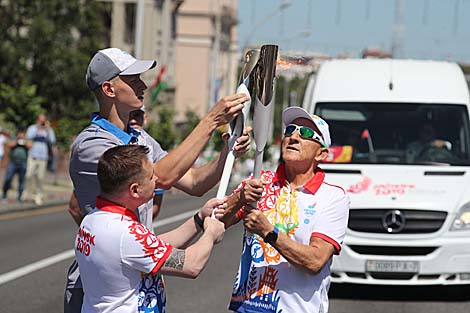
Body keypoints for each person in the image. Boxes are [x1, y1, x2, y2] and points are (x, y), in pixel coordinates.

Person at [65, 47, 250, 312]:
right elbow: (160, 178)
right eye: (133, 80)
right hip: (99, 284)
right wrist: (210, 121)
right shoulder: (91, 144)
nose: (143, 85)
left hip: (140, 272)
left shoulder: (140, 137)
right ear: (109, 89)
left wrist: (227, 153)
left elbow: (195, 181)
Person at [220, 106, 350, 313]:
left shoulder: (333, 197)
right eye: (290, 130)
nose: (294, 137)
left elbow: (315, 261)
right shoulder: (258, 181)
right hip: (248, 308)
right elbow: (215, 225)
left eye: (306, 133)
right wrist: (239, 198)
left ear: (322, 153)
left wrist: (268, 232)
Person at [75, 144, 225, 312]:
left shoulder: (92, 220)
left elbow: (151, 246)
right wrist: (211, 233)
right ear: (135, 189)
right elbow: (192, 265)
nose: (156, 179)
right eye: (151, 176)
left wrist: (199, 219)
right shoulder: (126, 233)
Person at [24, 113, 56, 205]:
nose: (42, 122)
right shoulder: (32, 128)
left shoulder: (48, 130)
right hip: (33, 155)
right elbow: (28, 137)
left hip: (43, 157)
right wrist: (38, 128)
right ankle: (26, 192)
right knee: (28, 175)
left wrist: (48, 129)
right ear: (38, 120)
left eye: (43, 121)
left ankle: (39, 196)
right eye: (40, 120)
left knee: (40, 177)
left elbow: (52, 141)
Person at [2, 128, 32, 202]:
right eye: (20, 133)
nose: (21, 135)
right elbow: (8, 144)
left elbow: (30, 145)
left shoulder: (26, 140)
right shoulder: (13, 138)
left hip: (23, 163)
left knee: (21, 180)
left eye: (23, 134)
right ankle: (4, 194)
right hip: (13, 162)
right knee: (8, 178)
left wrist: (24, 141)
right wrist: (17, 141)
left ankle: (20, 197)